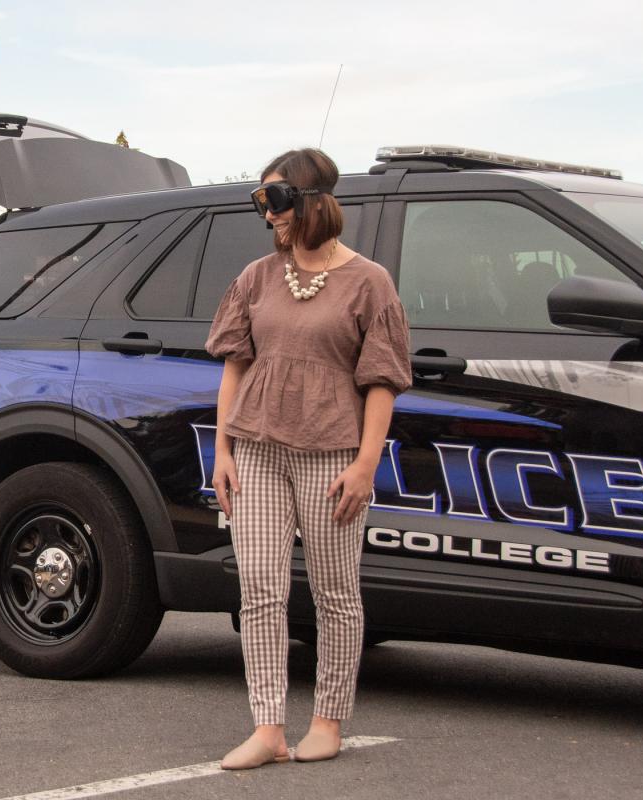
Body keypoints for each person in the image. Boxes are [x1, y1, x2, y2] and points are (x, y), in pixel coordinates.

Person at [206, 148, 412, 769]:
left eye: (272, 198)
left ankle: (328, 719)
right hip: (259, 452)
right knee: (260, 590)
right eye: (261, 201)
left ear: (307, 199)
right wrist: (222, 449)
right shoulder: (257, 278)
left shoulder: (369, 281)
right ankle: (267, 728)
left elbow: (382, 381)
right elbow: (235, 368)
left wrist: (366, 464)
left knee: (335, 594)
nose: (265, 212)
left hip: (333, 456)